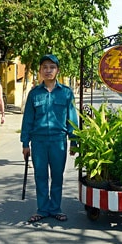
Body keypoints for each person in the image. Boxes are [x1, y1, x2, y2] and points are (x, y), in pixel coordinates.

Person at [21, 54, 78, 223]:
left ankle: (55, 208)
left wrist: (74, 141)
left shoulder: (66, 93)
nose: (48, 70)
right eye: (45, 67)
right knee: (40, 176)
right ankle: (42, 209)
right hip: (38, 141)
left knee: (57, 175)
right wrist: (25, 143)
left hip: (58, 140)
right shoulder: (34, 94)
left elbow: (72, 118)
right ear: (40, 71)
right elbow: (27, 120)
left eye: (52, 67)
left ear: (57, 70)